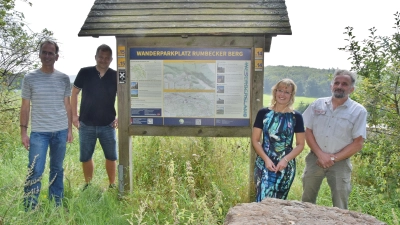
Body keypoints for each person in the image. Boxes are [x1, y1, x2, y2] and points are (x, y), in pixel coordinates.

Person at [301, 69, 367, 209]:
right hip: (315, 159)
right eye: (336, 83)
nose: (339, 86)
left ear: (351, 89)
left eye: (344, 84)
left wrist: (332, 158)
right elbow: (308, 131)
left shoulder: (358, 111)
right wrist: (320, 155)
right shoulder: (317, 104)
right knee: (306, 202)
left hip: (340, 163)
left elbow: (358, 143)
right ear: (331, 86)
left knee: (340, 204)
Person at [20, 40, 73, 210]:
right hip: (39, 133)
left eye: (51, 53)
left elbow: (67, 105)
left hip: (60, 130)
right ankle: (30, 206)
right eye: (44, 52)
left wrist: (70, 130)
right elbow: (25, 106)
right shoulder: (29, 78)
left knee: (57, 169)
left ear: (56, 57)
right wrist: (23, 133)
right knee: (35, 169)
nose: (47, 56)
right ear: (39, 55)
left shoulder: (64, 79)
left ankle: (56, 203)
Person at [71, 44, 118, 190]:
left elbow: (124, 97)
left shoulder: (115, 75)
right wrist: (74, 116)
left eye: (107, 58)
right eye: (100, 57)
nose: (103, 60)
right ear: (95, 57)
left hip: (108, 124)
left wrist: (120, 117)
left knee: (111, 156)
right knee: (86, 157)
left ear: (111, 59)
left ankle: (112, 184)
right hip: (86, 123)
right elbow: (74, 93)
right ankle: (88, 185)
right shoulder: (85, 72)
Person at [252, 78, 305, 201]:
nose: (282, 94)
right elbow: (255, 140)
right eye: (280, 90)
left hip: (285, 167)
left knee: (278, 204)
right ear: (275, 92)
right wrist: (266, 160)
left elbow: (300, 144)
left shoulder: (296, 117)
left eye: (287, 92)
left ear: (291, 95)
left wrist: (285, 160)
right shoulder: (263, 113)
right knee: (261, 200)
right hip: (264, 164)